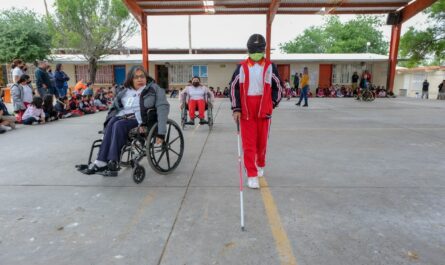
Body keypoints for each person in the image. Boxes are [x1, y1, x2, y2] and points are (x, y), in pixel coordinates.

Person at [82, 65, 170, 175]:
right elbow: (113, 108)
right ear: (130, 79)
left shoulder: (155, 89)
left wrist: (161, 132)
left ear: (146, 77)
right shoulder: (124, 91)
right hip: (122, 118)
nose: (139, 79)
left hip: (142, 121)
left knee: (118, 125)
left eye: (142, 76)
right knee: (112, 123)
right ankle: (100, 162)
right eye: (136, 77)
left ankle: (113, 161)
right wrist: (108, 121)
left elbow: (163, 109)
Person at [229, 33, 282, 189]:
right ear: (249, 50)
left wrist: (272, 103)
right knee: (249, 143)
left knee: (262, 142)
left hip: (264, 106)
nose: (257, 53)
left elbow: (278, 87)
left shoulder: (270, 67)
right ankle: (251, 174)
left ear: (264, 50)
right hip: (246, 108)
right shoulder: (242, 67)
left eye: (259, 50)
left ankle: (260, 164)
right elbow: (233, 88)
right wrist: (236, 108)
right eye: (254, 50)